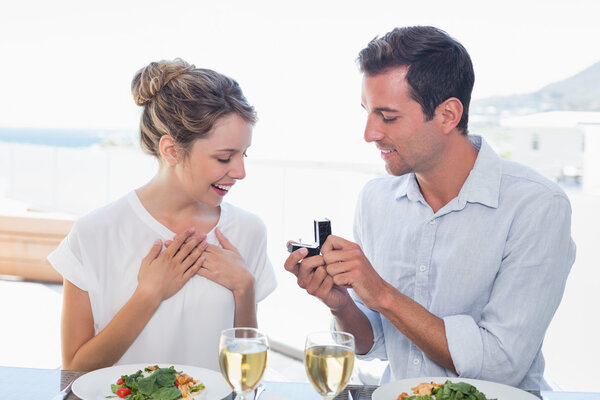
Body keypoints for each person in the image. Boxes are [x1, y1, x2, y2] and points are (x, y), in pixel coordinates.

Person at [284, 26, 575, 390]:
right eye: (367, 112)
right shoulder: (376, 199)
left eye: (388, 117)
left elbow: (502, 364)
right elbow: (375, 344)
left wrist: (384, 295)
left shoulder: (537, 206)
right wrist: (340, 304)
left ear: (448, 114)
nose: (369, 133)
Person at [48, 58, 276, 371]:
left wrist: (244, 288)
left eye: (243, 154)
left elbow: (249, 374)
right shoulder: (95, 234)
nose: (240, 171)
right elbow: (74, 370)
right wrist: (149, 295)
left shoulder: (248, 231)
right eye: (224, 158)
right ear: (170, 150)